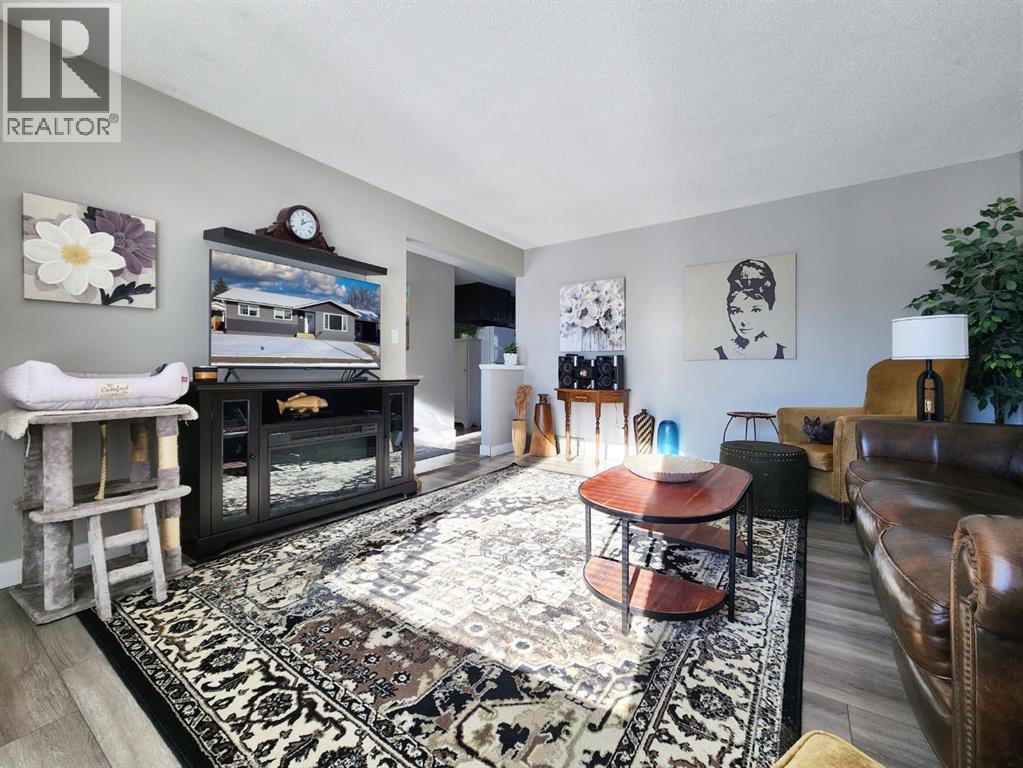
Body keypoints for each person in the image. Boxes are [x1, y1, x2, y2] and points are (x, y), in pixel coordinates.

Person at [714, 259, 787, 360]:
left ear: (770, 309)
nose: (745, 322)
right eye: (736, 311)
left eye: (756, 310)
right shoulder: (715, 355)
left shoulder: (786, 354)